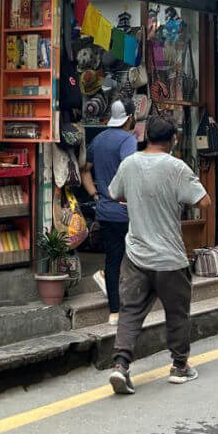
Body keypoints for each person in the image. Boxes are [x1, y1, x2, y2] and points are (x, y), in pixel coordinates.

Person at [106, 114, 210, 394]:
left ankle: (120, 365)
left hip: (136, 253)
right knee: (177, 312)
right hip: (169, 258)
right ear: (174, 140)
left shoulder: (129, 164)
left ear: (144, 136)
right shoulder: (177, 167)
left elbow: (114, 193)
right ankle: (179, 366)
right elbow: (204, 201)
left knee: (130, 311)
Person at [81, 100, 136, 325]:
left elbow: (85, 170)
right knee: (133, 258)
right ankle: (130, 304)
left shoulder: (99, 139)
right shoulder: (128, 140)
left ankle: (115, 312)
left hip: (105, 210)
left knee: (113, 259)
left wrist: (95, 194)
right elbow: (130, 170)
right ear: (129, 118)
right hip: (126, 210)